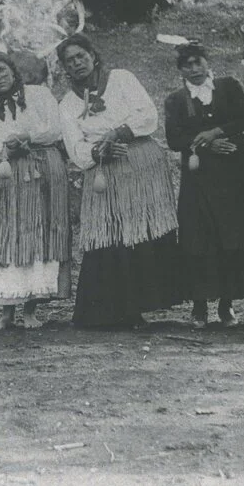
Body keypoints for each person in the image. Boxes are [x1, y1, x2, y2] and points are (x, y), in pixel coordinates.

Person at [57, 33, 181, 329]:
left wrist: (120, 132)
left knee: (139, 232)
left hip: (138, 163)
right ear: (64, 68)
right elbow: (75, 149)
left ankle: (140, 306)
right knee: (109, 234)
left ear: (93, 55)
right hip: (103, 171)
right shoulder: (67, 104)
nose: (77, 64)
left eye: (81, 56)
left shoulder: (121, 79)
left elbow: (148, 114)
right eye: (70, 61)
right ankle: (109, 311)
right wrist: (99, 150)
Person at [164, 41, 244, 329]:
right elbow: (174, 139)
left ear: (207, 62)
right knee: (199, 235)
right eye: (187, 64)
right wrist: (206, 144)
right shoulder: (176, 100)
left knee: (233, 234)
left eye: (198, 61)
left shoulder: (228, 87)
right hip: (199, 178)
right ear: (180, 69)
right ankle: (199, 305)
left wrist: (216, 131)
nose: (194, 68)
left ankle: (227, 303)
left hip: (235, 175)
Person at [0, 48, 71, 330]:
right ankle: (6, 313)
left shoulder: (39, 96)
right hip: (7, 177)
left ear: (13, 72)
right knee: (7, 237)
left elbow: (54, 129)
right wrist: (7, 148)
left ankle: (30, 310)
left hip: (42, 172)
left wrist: (28, 136)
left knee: (35, 235)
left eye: (2, 71)